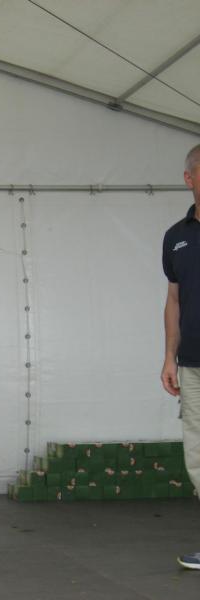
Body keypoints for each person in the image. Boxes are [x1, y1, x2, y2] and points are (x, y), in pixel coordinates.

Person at [160, 143, 200, 570]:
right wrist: (169, 357)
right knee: (197, 456)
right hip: (192, 363)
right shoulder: (177, 237)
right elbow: (173, 300)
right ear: (190, 179)